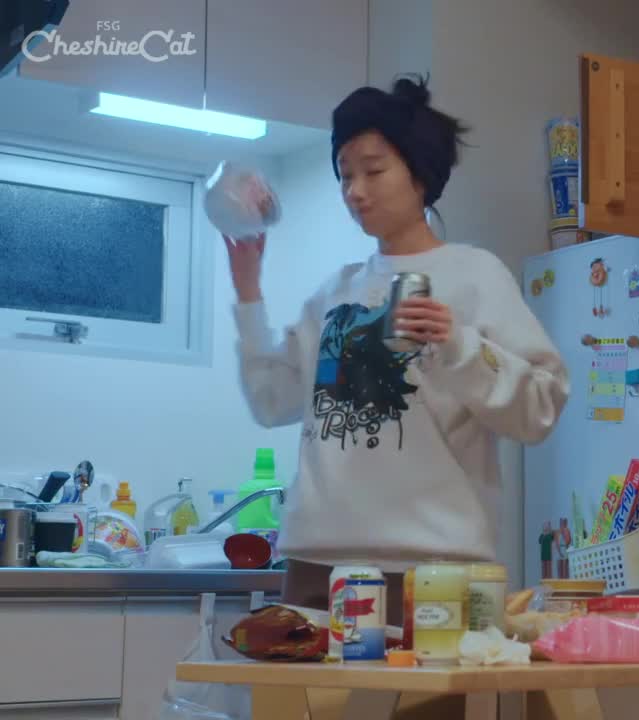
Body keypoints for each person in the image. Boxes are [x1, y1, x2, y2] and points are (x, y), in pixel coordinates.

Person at [224, 74, 569, 626]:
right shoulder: (335, 293)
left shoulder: (474, 275)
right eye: (345, 175)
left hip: (435, 568)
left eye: (374, 169)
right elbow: (271, 400)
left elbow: (541, 407)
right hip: (316, 565)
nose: (355, 191)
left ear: (419, 174)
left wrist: (458, 343)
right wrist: (247, 290)